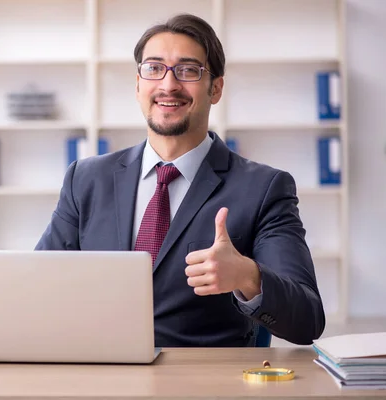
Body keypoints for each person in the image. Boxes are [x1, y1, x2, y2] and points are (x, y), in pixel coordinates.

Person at [35, 13, 325, 347]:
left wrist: (247, 275)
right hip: (100, 374)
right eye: (154, 68)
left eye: (188, 71)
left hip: (202, 382)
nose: (168, 85)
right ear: (138, 84)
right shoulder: (85, 179)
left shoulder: (264, 189)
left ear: (215, 88)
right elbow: (38, 285)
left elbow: (307, 320)